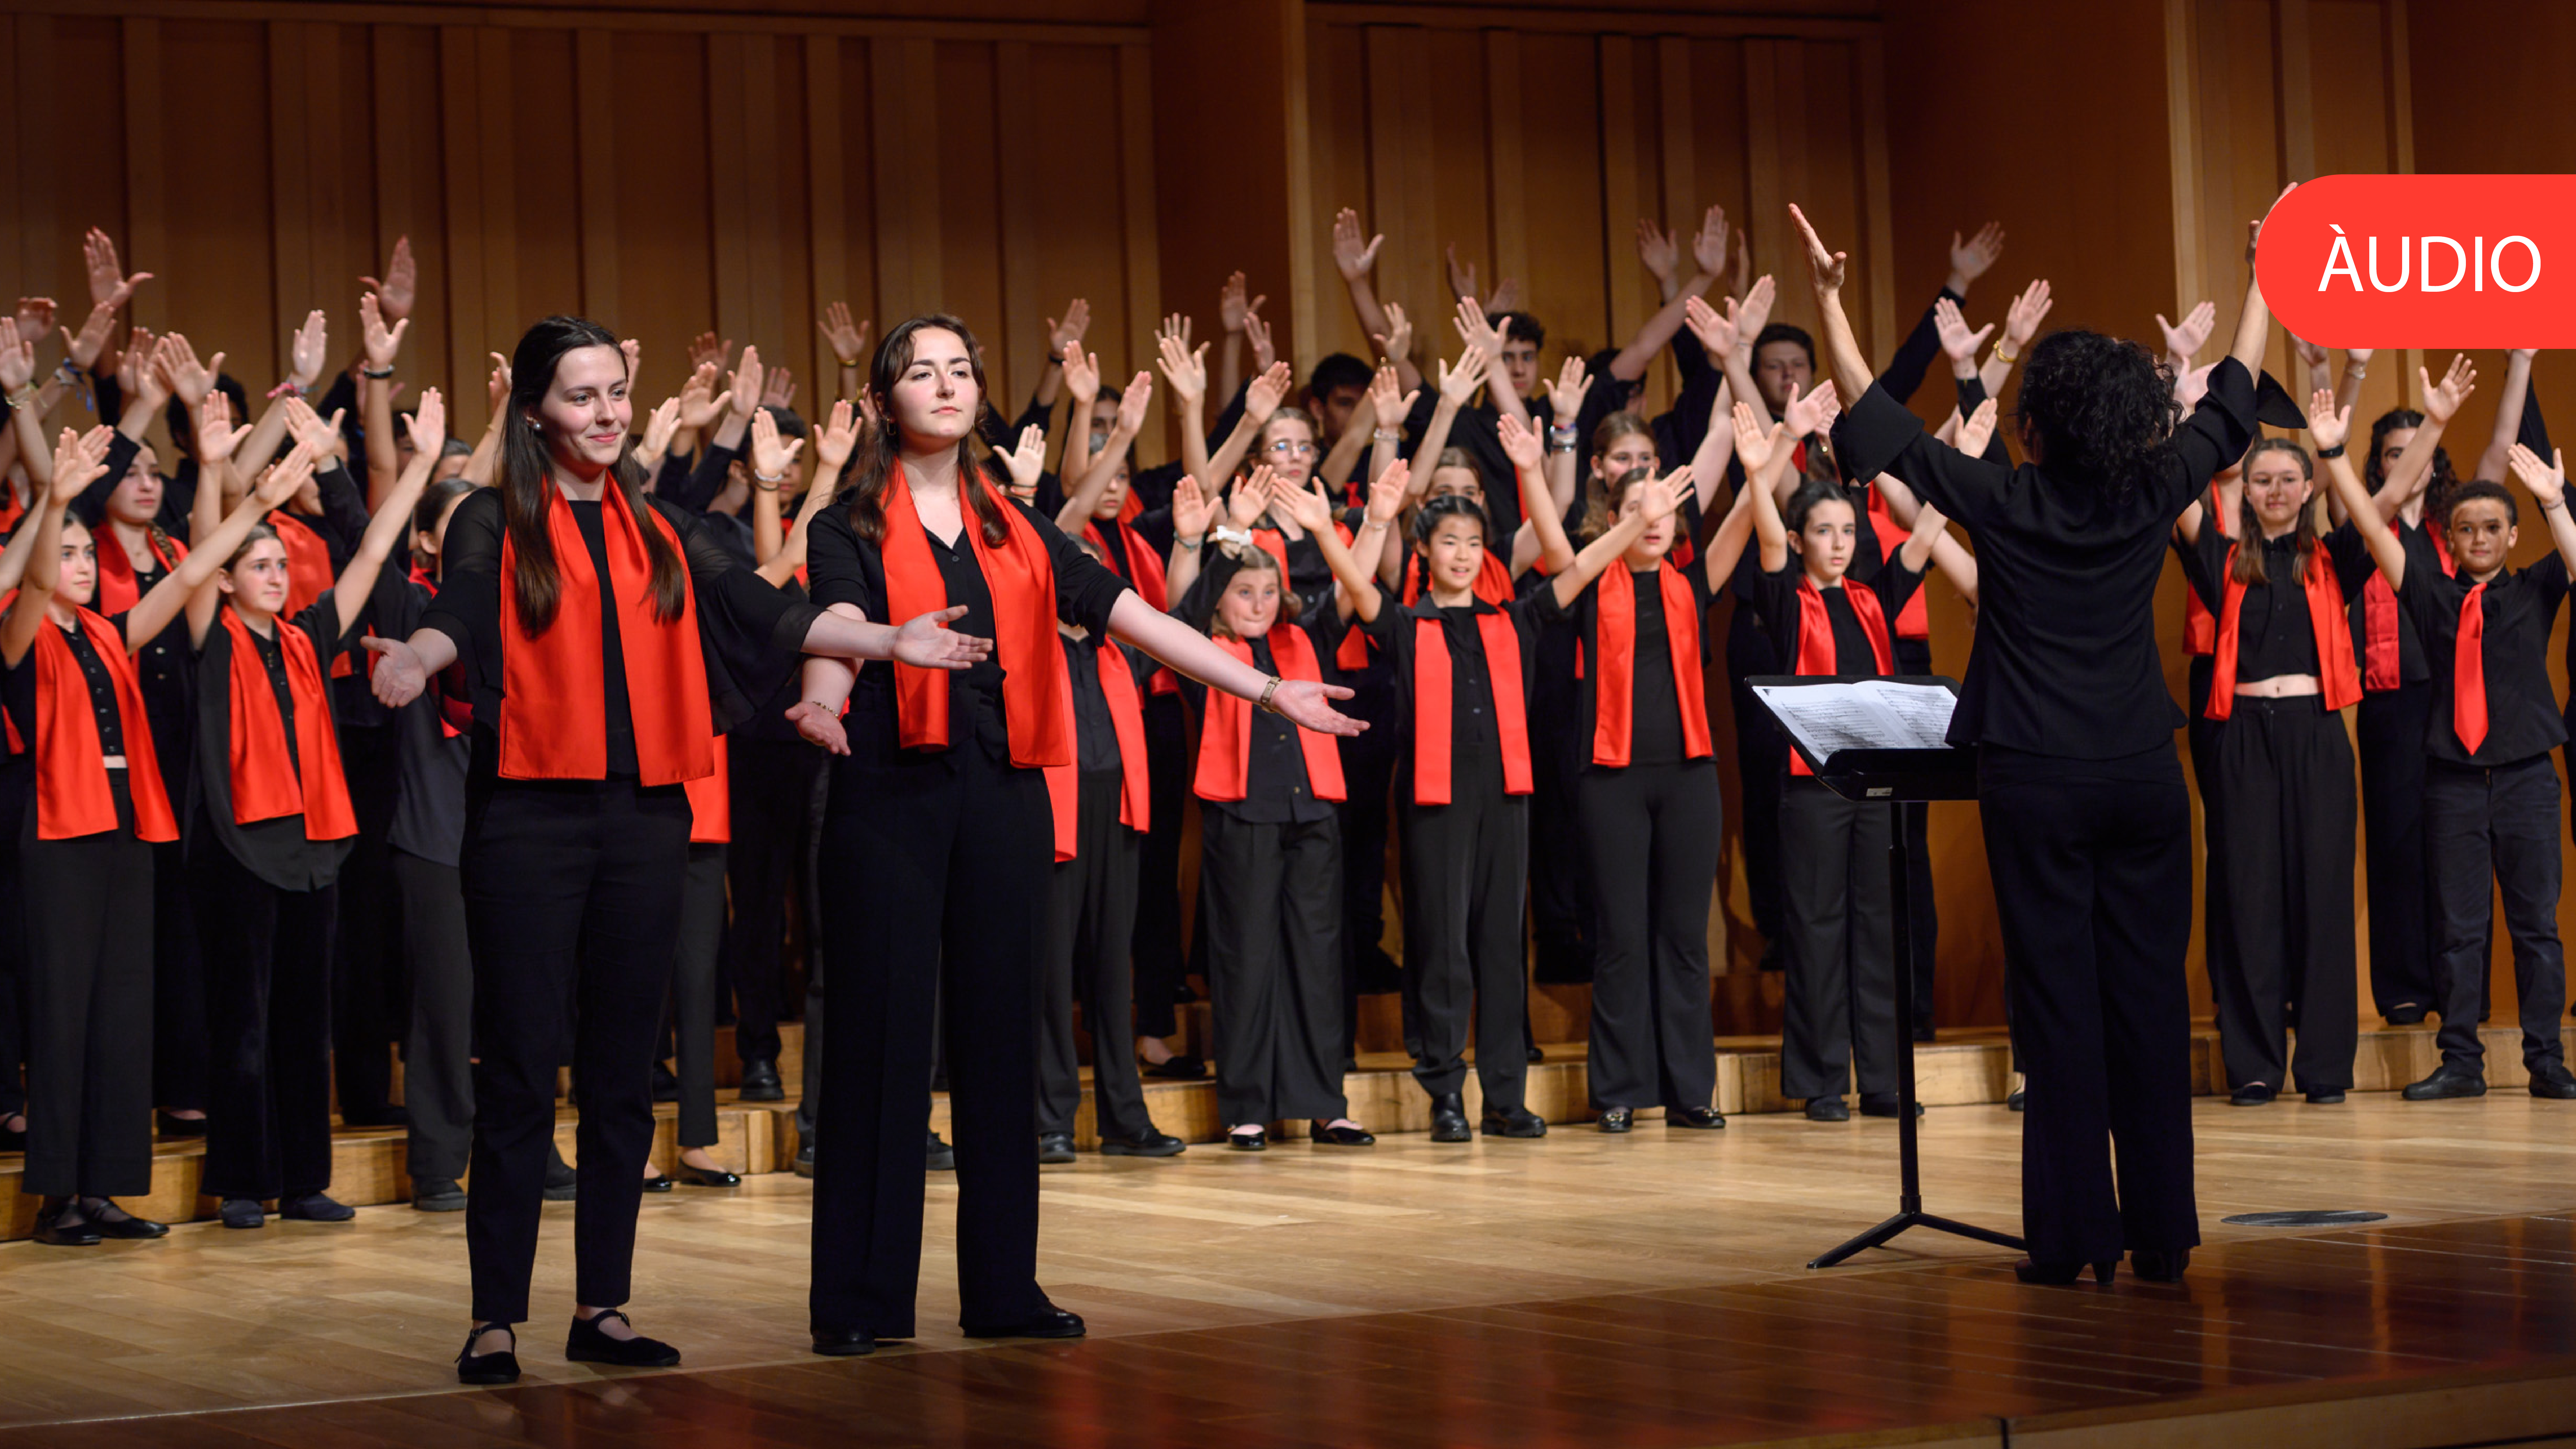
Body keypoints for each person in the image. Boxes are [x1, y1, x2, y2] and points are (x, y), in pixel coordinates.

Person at [363, 315, 990, 1386]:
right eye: (582, 396)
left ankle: (601, 1306)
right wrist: (419, 658)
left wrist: (887, 640)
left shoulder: (669, 530)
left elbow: (773, 613)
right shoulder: (491, 519)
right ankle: (494, 1320)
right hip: (525, 821)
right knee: (518, 1072)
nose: (606, 413)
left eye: (616, 393)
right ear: (536, 414)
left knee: (619, 1075)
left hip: (646, 821)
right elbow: (461, 611)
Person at [789, 314, 1364, 1361]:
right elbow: (831, 626)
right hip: (888, 801)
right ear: (883, 404)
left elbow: (1138, 619)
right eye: (921, 373)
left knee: (1003, 1042)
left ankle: (1003, 1287)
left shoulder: (1019, 526)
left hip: (1006, 797)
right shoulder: (850, 524)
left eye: (962, 369)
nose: (948, 386)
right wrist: (825, 698)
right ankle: (861, 1299)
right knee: (882, 1048)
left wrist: (1268, 685)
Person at [1814, 194, 2275, 1286]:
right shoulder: (2156, 487)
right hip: (2141, 777)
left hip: (2035, 781)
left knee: (2059, 1009)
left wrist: (1833, 301)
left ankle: (2072, 1243)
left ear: (2037, 424)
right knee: (2151, 999)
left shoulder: (2004, 498)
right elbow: (2240, 401)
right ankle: (2162, 1235)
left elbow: (1873, 420)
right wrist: (2264, 278)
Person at [0, 414, 308, 1246]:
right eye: (62, 554)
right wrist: (55, 500)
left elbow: (196, 571)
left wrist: (255, 507)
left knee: (122, 1009)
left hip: (128, 830)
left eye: (78, 554)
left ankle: (103, 1188)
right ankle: (58, 1194)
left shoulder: (109, 629)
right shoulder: (20, 633)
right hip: (60, 831)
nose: (74, 568)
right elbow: (27, 592)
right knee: (65, 1014)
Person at [190, 391, 434, 1231]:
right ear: (227, 577)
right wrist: (232, 484)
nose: (275, 573)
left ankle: (302, 1181)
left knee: (306, 1023)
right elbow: (195, 566)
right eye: (257, 565)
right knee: (245, 1024)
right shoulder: (209, 633)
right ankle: (244, 1181)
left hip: (315, 848)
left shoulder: (304, 635)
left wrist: (421, 465)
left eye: (277, 564)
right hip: (241, 849)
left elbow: (368, 552)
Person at [2316, 395, 2576, 1105]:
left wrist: (2554, 503)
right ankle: (2460, 1060)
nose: (2481, 538)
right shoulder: (2428, 592)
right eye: (2467, 529)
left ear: (2512, 537)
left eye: (2493, 527)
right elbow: (2370, 526)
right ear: (2451, 539)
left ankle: (2545, 1059)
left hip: (2524, 779)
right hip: (2453, 782)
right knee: (2458, 930)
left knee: (2535, 929)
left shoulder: (2532, 591)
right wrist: (2336, 457)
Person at [1516, 407, 1727, 1135]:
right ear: (1613, 515)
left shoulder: (1689, 584)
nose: (1656, 519)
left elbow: (1749, 531)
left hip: (1689, 777)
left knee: (1681, 938)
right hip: (1611, 778)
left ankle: (1690, 1090)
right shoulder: (1590, 585)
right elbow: (1555, 549)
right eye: (1639, 508)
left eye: (1666, 508)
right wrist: (1533, 471)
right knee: (1621, 939)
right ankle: (1618, 1089)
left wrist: (1768, 456)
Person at [1739, 401, 1951, 1122]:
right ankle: (1823, 1079)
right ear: (1800, 540)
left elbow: (1925, 531)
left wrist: (1962, 446)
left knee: (1879, 926)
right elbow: (1765, 530)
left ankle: (1886, 1078)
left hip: (1878, 783)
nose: (1837, 543)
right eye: (1823, 532)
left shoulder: (1874, 596)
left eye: (1847, 531)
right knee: (1817, 928)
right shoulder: (1787, 597)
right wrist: (1766, 459)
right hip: (1813, 787)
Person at [1169, 494, 1378, 1153]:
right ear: (1221, 601)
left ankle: (1324, 1103)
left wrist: (1373, 522)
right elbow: (1176, 612)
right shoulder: (1207, 651)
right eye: (1243, 592)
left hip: (1312, 812)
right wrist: (1221, 542)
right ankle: (1247, 1106)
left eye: (1267, 591)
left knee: (1317, 960)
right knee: (1247, 958)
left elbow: (1355, 586)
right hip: (1241, 815)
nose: (1258, 604)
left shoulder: (1304, 637)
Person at [2172, 437, 2364, 1107]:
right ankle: (2254, 1065)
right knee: (2247, 901)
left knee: (2322, 899)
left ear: (2308, 488)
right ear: (2244, 490)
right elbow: (2176, 496)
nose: (2276, 490)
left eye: (2288, 479)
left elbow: (2387, 503)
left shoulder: (2333, 556)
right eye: (2262, 480)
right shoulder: (2222, 560)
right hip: (2243, 737)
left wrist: (2341, 446)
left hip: (2317, 733)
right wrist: (2190, 422)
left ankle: (2323, 1067)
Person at [1033, 536, 1187, 1164]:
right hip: (1052, 822)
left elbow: (1184, 618)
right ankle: (1049, 1121)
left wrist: (1200, 542)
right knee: (1049, 979)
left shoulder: (1122, 652)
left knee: (1110, 974)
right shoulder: (1028, 648)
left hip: (1119, 820)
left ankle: (1125, 1118)